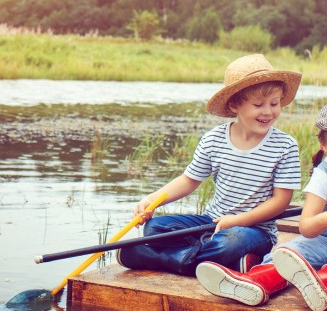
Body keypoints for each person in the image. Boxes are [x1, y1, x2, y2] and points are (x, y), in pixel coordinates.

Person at [196, 98, 327, 311]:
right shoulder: (323, 177)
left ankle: (325, 286)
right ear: (324, 147)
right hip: (322, 238)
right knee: (289, 253)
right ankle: (255, 282)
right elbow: (306, 227)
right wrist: (323, 219)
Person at [117, 53, 303, 277]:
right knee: (155, 228)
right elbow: (188, 180)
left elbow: (280, 201)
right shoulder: (214, 139)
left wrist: (237, 221)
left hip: (254, 229)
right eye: (258, 104)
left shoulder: (285, 146)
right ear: (235, 105)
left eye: (275, 103)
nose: (268, 111)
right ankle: (224, 263)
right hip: (211, 222)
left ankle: (159, 259)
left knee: (232, 240)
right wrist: (151, 199)